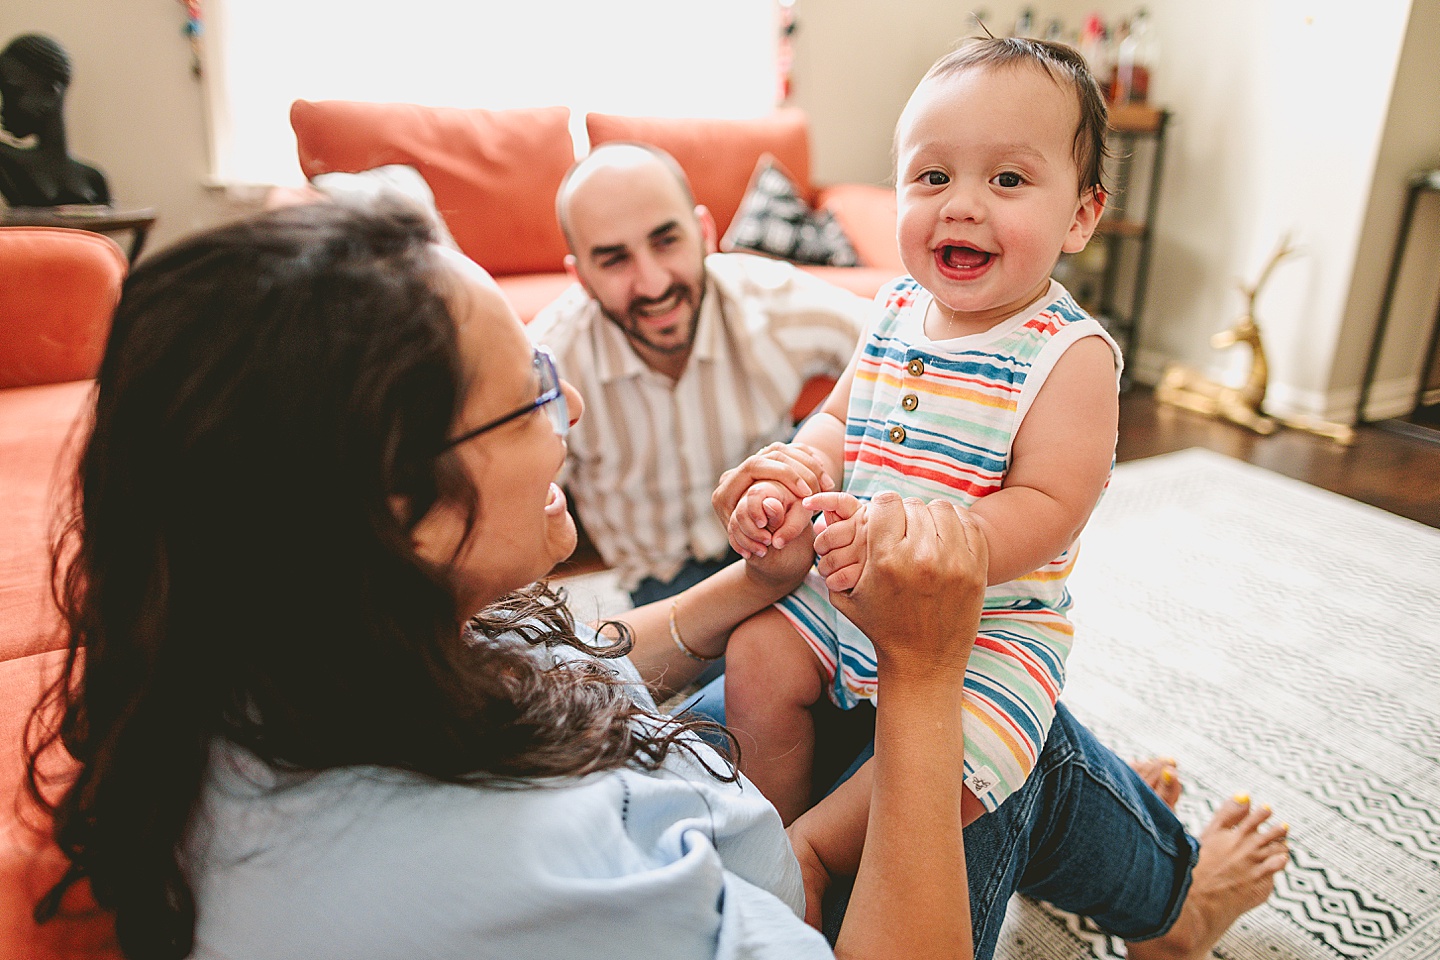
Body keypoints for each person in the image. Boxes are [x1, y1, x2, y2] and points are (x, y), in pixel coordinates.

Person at [25, 202, 1286, 960]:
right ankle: (1173, 901)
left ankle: (1131, 838)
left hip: (717, 809)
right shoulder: (550, 889)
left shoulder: (274, 654)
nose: (564, 416)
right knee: (997, 733)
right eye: (530, 395)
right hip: (761, 867)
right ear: (406, 511)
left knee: (904, 692)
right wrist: (923, 671)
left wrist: (748, 583)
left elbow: (576, 659)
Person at [717, 37, 1125, 829]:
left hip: (983, 631)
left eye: (1007, 179)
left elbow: (1050, 506)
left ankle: (819, 853)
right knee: (755, 655)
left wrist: (936, 544)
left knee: (963, 763)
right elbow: (839, 416)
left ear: (1080, 215)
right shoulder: (895, 307)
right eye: (933, 176)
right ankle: (766, 830)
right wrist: (799, 468)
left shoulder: (1067, 355)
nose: (962, 204)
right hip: (846, 594)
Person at [529, 143, 867, 608]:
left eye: (666, 241)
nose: (653, 284)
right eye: (614, 260)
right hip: (661, 578)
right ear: (581, 277)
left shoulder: (773, 301)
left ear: (704, 232)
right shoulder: (550, 361)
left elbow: (896, 344)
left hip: (783, 540)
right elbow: (515, 510)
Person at [0, 33, 110, 208]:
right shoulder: (4, 159)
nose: (3, 109)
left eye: (13, 93)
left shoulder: (94, 178)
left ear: (50, 93)